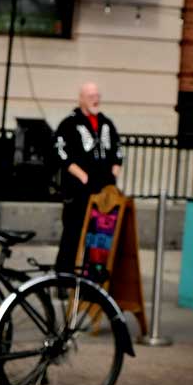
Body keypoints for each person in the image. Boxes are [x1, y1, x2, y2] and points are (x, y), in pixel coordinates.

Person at [53, 82, 123, 273]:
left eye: (97, 96)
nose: (95, 99)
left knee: (99, 237)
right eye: (91, 96)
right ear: (81, 98)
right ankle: (64, 275)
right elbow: (61, 153)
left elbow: (117, 150)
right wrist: (82, 176)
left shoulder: (106, 123)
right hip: (78, 192)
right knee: (72, 235)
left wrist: (113, 175)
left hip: (104, 191)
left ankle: (93, 276)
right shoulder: (69, 124)